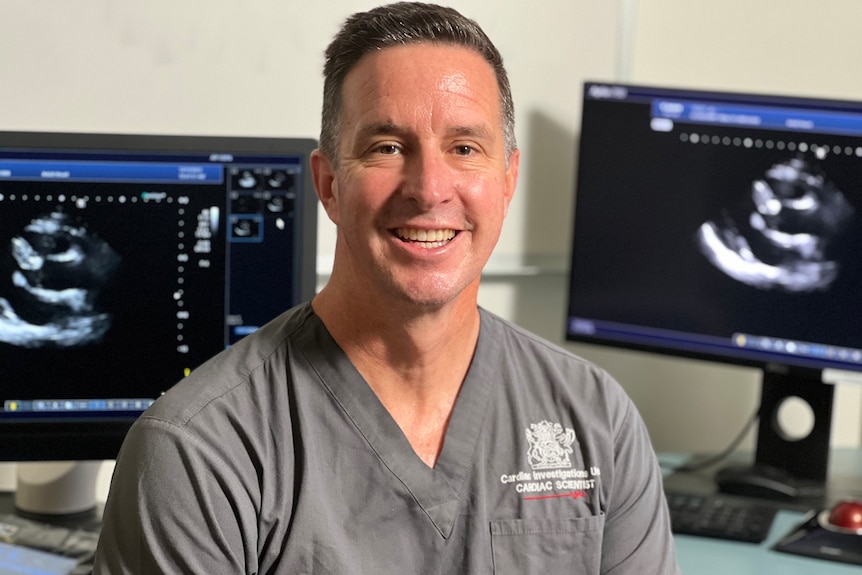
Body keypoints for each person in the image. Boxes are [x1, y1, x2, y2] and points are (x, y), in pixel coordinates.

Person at [93, 3, 680, 573]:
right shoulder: (201, 451)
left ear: (508, 181)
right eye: (387, 148)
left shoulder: (597, 421)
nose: (429, 189)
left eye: (464, 148)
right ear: (328, 185)